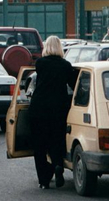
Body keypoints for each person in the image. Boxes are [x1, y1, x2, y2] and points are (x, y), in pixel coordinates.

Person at [27, 35, 78, 189]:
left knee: (40, 145)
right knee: (56, 140)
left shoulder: (40, 63)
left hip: (39, 107)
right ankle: (57, 165)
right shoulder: (66, 65)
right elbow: (73, 84)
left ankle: (44, 179)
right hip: (59, 108)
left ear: (46, 47)